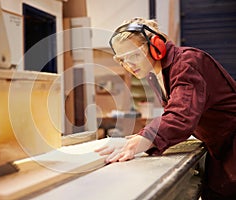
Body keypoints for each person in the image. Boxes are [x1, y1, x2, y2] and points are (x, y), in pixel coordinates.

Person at [95, 17, 236, 199]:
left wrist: (145, 139)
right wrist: (141, 136)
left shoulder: (187, 62)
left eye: (135, 56)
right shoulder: (155, 74)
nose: (129, 65)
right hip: (218, 145)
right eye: (122, 60)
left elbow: (181, 116)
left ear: (157, 46)